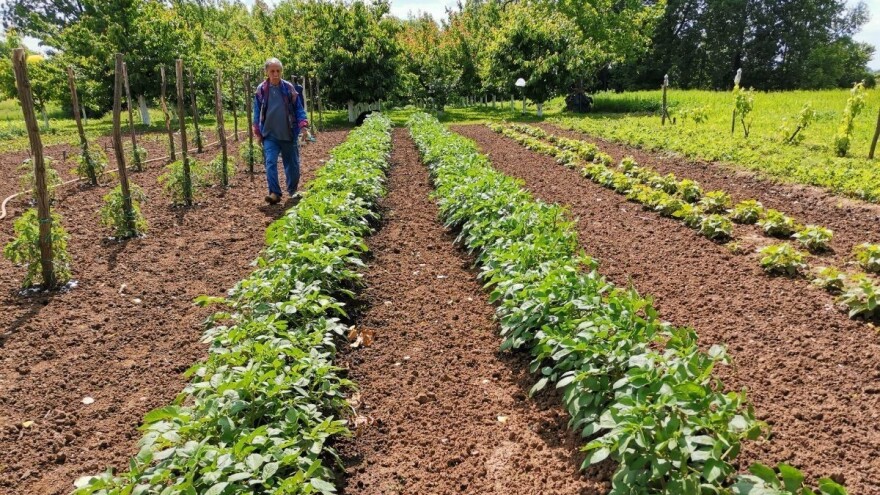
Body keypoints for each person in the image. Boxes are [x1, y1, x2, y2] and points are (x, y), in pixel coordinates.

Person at [252, 58, 308, 204]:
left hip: (288, 133)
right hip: (270, 135)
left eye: (278, 71)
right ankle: (274, 193)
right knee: (270, 162)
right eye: (272, 71)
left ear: (281, 71)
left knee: (292, 164)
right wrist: (258, 133)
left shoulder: (289, 88)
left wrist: (303, 126)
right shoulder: (262, 90)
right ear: (267, 72)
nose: (275, 74)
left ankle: (293, 190)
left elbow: (298, 108)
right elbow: (257, 112)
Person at [292, 75, 317, 145]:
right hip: (301, 101)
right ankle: (304, 136)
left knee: (296, 116)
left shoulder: (292, 87)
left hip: (295, 102)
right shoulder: (300, 87)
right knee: (300, 115)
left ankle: (300, 136)